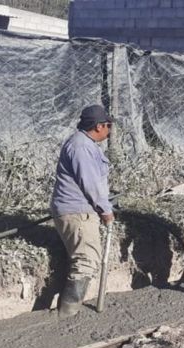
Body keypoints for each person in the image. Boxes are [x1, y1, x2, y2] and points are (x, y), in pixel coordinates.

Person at [51, 104, 114, 317]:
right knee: (86, 261)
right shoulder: (82, 147)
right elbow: (90, 183)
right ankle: (67, 314)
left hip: (78, 210)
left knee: (83, 259)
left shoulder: (84, 144)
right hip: (78, 212)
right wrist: (105, 210)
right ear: (98, 127)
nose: (109, 130)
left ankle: (69, 310)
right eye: (108, 125)